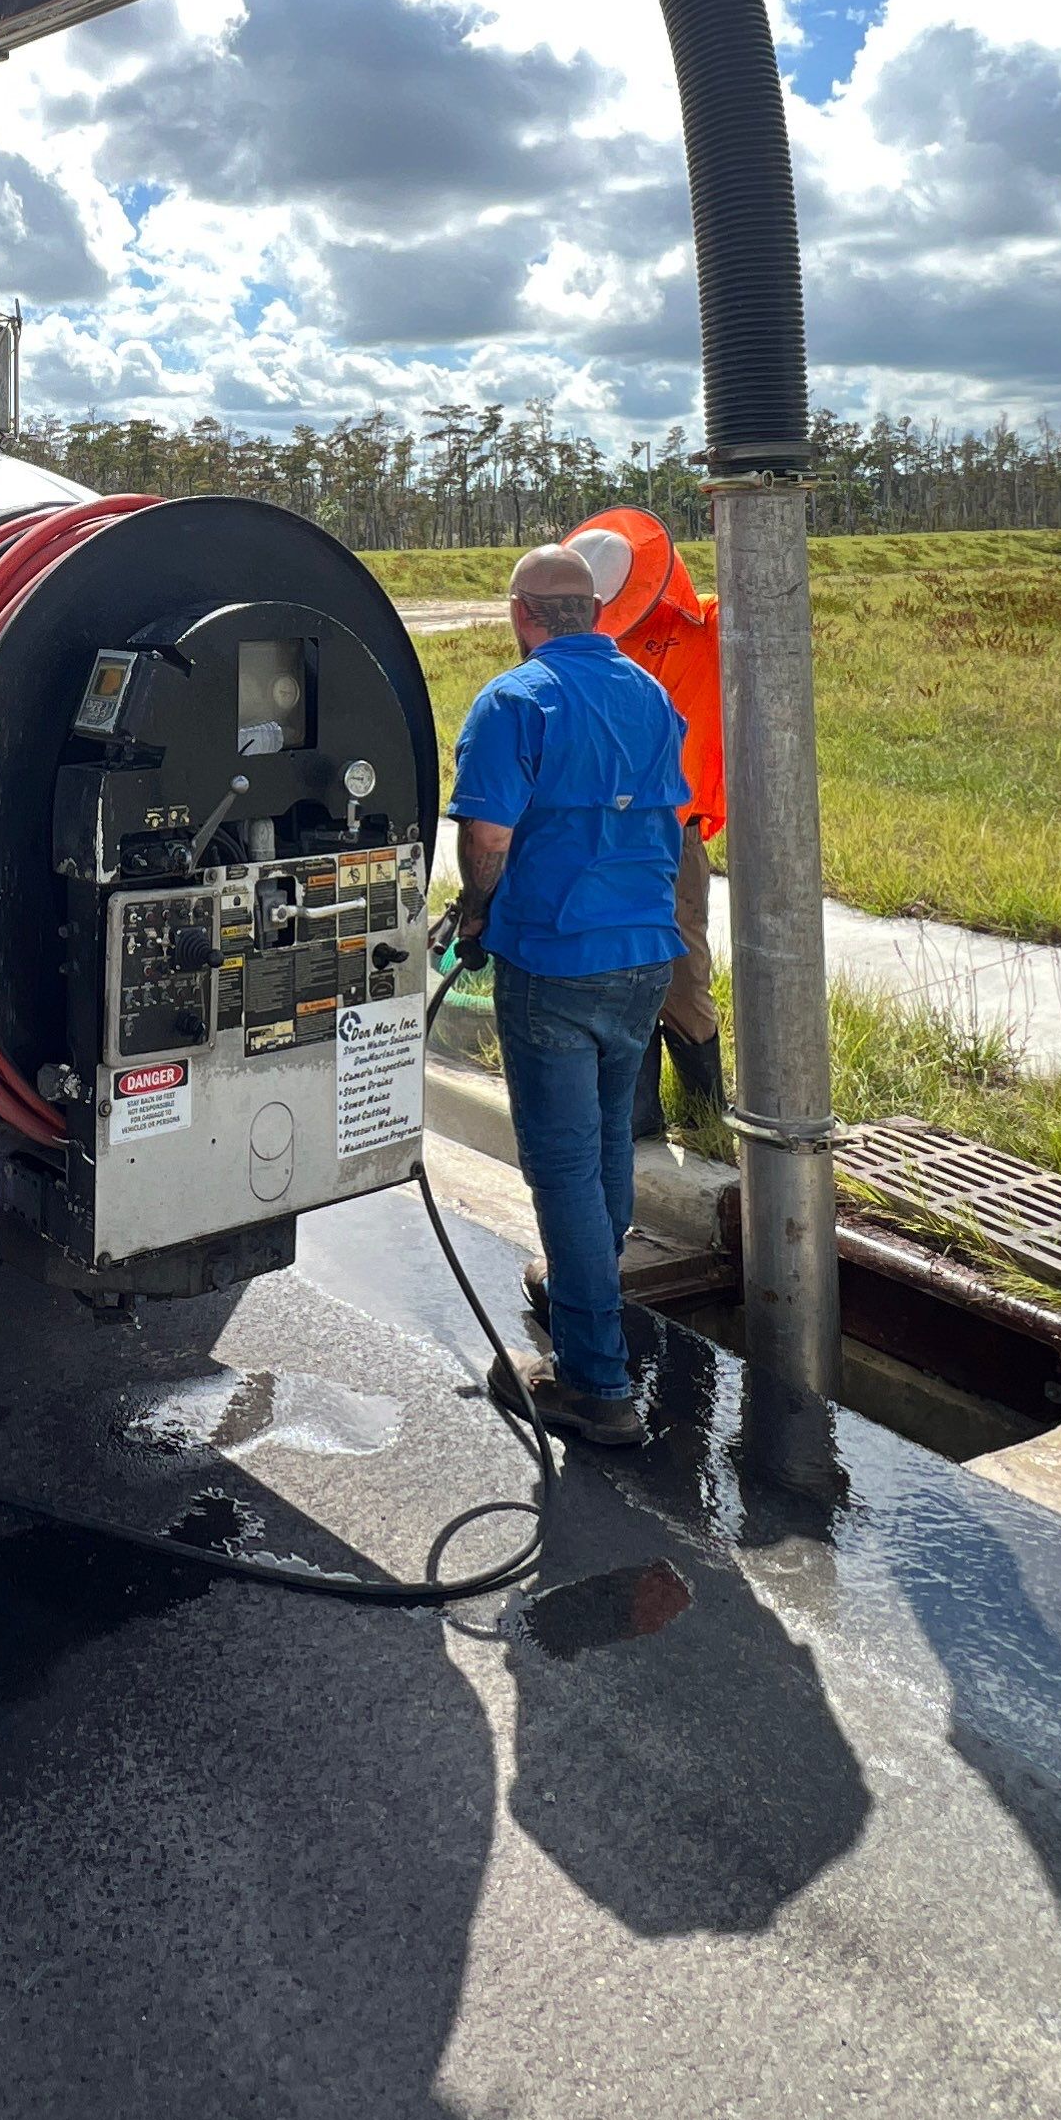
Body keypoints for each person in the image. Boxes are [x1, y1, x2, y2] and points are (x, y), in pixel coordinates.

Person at [439, 542, 689, 1447]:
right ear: (596, 612)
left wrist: (473, 917)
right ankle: (578, 1279)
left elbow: (489, 841)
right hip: (646, 955)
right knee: (609, 1138)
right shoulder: (649, 694)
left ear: (523, 614)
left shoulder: (516, 700)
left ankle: (593, 1382)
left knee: (562, 1166)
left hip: (556, 961)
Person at [563, 507, 729, 1132]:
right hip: (599, 839)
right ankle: (636, 1120)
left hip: (673, 834)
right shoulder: (586, 642)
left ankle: (707, 1108)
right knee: (620, 974)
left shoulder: (705, 626)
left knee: (684, 973)